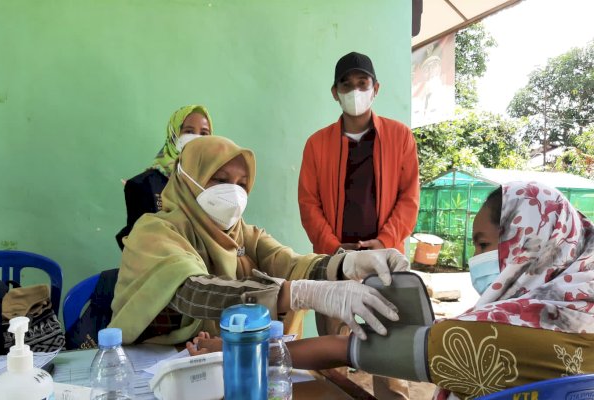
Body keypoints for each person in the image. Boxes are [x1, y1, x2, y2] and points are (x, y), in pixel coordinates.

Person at [191, 181, 594, 399]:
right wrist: (341, 264)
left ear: (531, 246)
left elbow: (343, 349)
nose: (476, 260)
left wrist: (235, 350)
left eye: (485, 245)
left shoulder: (480, 340)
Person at [109, 136, 411, 345]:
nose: (234, 192)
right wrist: (297, 294)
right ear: (189, 180)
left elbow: (290, 263)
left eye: (242, 184)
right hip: (152, 363)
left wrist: (350, 262)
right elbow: (194, 293)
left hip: (215, 358)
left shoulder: (243, 233)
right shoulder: (153, 232)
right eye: (220, 179)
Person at [298, 51, 420, 255]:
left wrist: (385, 241)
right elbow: (308, 202)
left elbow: (410, 197)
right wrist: (332, 247)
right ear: (335, 92)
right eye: (346, 84)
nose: (355, 91)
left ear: (375, 89)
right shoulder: (316, 144)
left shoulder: (400, 137)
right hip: (334, 258)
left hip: (385, 255)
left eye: (362, 83)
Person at [115, 105, 213, 250]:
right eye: (189, 131)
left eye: (204, 133)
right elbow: (139, 245)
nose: (197, 138)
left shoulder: (215, 185)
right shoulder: (144, 184)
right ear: (174, 134)